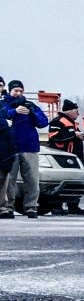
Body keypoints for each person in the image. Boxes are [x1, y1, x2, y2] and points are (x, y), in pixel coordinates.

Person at [31, 92, 77, 216]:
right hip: (60, 155)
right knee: (60, 181)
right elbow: (54, 137)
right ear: (69, 111)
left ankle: (73, 206)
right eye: (75, 111)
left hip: (72, 155)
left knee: (73, 181)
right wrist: (73, 135)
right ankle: (57, 206)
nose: (77, 113)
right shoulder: (57, 121)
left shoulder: (73, 123)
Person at [0, 76, 16, 219]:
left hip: (5, 147)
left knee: (3, 178)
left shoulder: (3, 104)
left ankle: (2, 207)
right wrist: (5, 122)